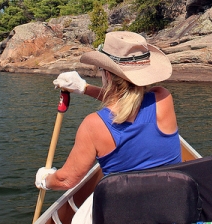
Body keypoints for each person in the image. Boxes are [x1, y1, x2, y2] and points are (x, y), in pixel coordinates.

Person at [34, 31, 181, 223]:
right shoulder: (163, 98)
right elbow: (131, 102)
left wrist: (45, 180)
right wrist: (85, 88)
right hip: (171, 207)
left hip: (125, 213)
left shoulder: (93, 125)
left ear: (108, 75)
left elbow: (66, 180)